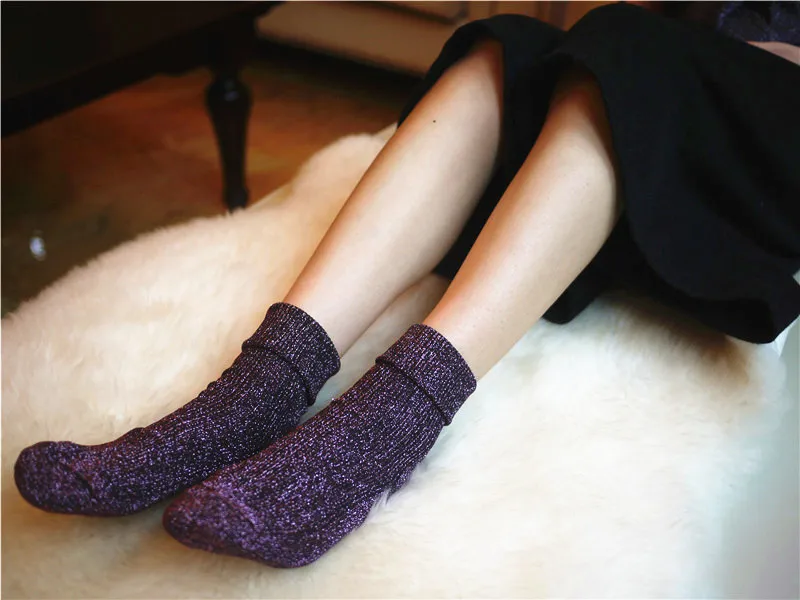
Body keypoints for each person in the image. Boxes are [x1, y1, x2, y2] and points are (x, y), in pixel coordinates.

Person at [14, 2, 799, 568]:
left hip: (763, 148)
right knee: (503, 48)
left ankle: (385, 429)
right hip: (673, 101)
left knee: (629, 49)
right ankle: (255, 393)